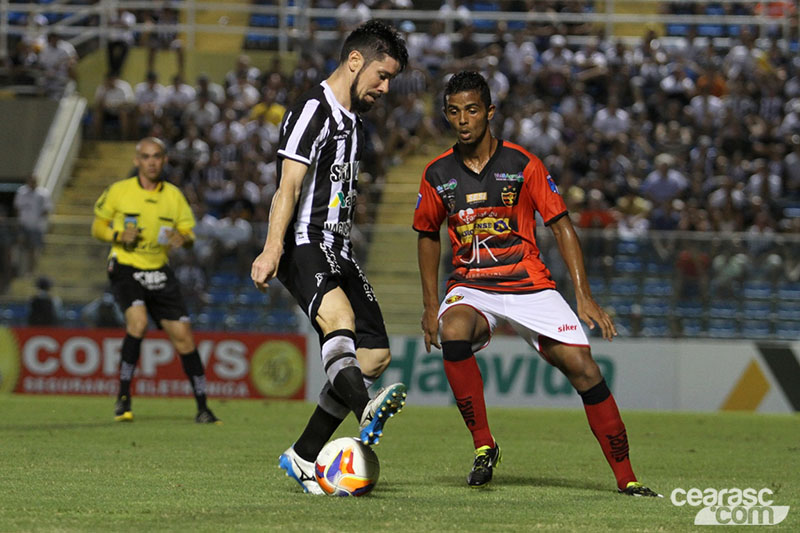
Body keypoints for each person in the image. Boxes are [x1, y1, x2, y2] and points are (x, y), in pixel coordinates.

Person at [413, 71, 660, 496]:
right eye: (454, 112)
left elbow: (562, 226)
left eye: (472, 110)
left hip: (529, 285)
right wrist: (431, 303)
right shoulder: (437, 174)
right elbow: (426, 234)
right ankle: (483, 445)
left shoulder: (523, 164)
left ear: (489, 112)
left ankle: (627, 477)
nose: (463, 119)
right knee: (454, 331)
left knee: (584, 370)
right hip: (472, 286)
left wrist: (582, 295)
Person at [250, 20, 409, 495]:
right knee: (336, 317)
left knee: (375, 355)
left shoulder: (355, 124)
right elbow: (288, 186)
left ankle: (302, 455)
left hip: (340, 250)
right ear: (355, 60)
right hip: (303, 243)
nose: (385, 87)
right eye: (382, 75)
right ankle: (366, 410)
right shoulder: (311, 110)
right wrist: (272, 247)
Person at [91, 137, 220, 424]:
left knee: (184, 338)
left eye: (157, 156)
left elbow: (188, 232)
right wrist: (116, 235)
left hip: (159, 270)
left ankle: (203, 408)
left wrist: (183, 239)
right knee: (137, 323)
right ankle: (123, 399)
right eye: (146, 156)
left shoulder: (173, 196)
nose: (151, 162)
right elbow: (97, 225)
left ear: (163, 160)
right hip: (125, 266)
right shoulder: (119, 191)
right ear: (137, 161)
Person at [13, 175, 52, 275]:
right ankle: (20, 270)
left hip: (36, 226)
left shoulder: (43, 194)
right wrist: (19, 222)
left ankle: (32, 271)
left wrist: (38, 219)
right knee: (22, 248)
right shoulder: (22, 192)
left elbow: (47, 209)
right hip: (24, 225)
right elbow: (17, 207)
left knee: (34, 249)